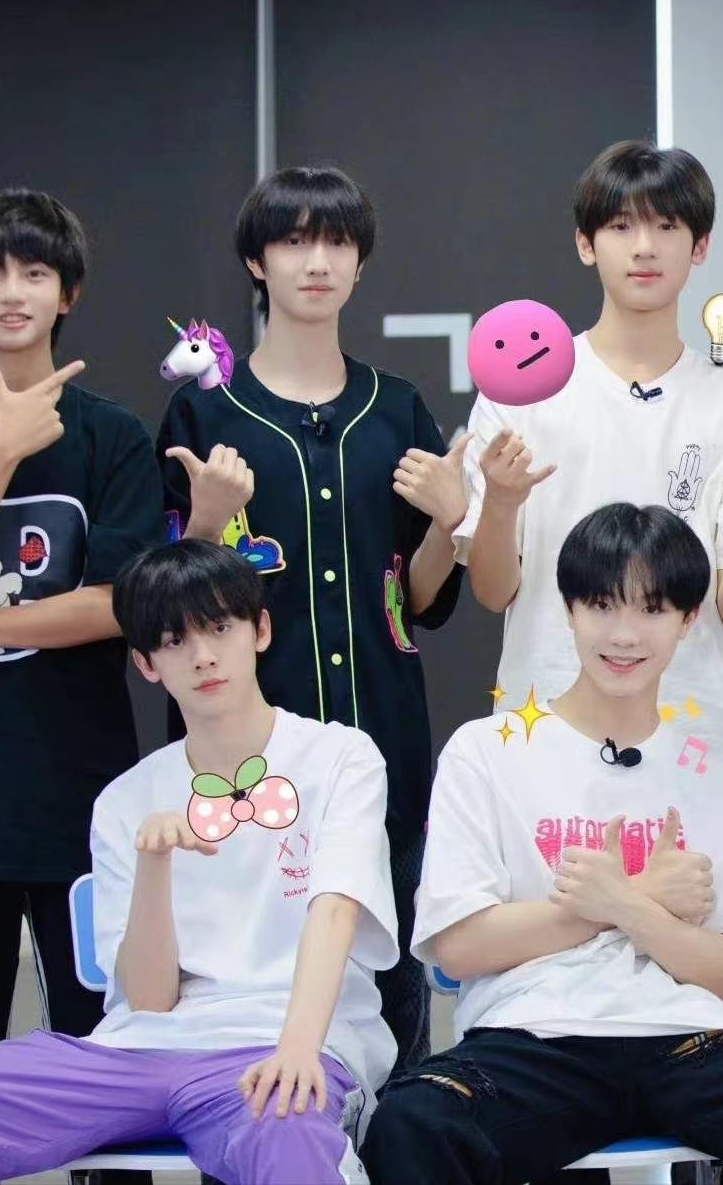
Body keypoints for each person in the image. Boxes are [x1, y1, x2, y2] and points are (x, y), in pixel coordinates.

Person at [362, 503, 723, 1185]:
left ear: (688, 620)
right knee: (412, 1124)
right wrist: (634, 897)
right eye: (602, 605)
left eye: (653, 609)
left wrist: (628, 908)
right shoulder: (486, 752)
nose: (625, 635)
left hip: (691, 1039)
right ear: (568, 610)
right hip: (532, 1039)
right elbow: (458, 945)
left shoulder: (713, 770)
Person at [0, 539, 399, 1184]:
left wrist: (297, 1048)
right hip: (138, 1052)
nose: (202, 657)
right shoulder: (126, 799)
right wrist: (154, 865)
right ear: (146, 663)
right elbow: (148, 999)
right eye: (174, 641)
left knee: (290, 1135)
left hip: (285, 1044)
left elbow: (335, 910)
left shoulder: (341, 757)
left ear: (260, 630)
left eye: (219, 628)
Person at [157, 165, 464, 1068]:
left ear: (360, 263)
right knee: (244, 1011)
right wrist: (207, 522)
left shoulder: (396, 408)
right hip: (242, 764)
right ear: (257, 262)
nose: (317, 261)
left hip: (384, 747)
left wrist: (450, 522)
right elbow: (164, 599)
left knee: (395, 1016)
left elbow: (421, 599)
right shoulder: (203, 412)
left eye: (336, 242)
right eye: (293, 241)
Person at [458, 140, 723, 784]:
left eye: (666, 226)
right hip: (543, 721)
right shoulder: (519, 397)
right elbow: (493, 590)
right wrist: (501, 503)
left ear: (700, 246)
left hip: (691, 737)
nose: (644, 248)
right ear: (585, 243)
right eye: (621, 227)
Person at [0, 188, 161, 1060]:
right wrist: (1, 449)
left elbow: (114, 606)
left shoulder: (113, 438)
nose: (12, 293)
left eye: (34, 272)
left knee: (103, 1059)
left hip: (81, 801)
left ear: (69, 293)